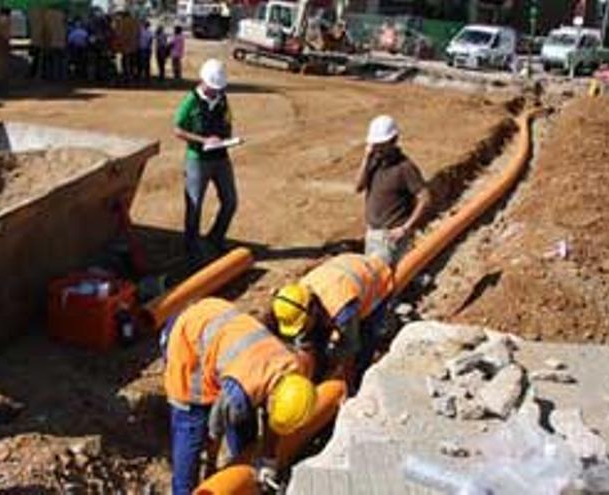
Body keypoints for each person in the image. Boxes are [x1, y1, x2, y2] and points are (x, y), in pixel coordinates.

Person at [161, 297, 316, 495]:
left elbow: (274, 420)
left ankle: (244, 476)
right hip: (189, 343)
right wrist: (211, 469)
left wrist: (268, 460)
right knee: (191, 427)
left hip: (218, 321)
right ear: (272, 400)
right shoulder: (238, 396)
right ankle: (183, 490)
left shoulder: (293, 373)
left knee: (244, 428)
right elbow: (214, 432)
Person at [270, 252, 393, 391]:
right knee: (318, 338)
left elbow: (350, 347)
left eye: (303, 325)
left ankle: (359, 381)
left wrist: (346, 382)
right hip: (345, 267)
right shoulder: (298, 295)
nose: (302, 330)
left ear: (312, 310)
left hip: (376, 280)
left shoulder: (342, 307)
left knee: (365, 340)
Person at [174, 58, 237, 260]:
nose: (215, 91)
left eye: (218, 88)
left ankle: (215, 239)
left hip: (221, 158)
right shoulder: (190, 101)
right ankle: (191, 247)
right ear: (203, 81)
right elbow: (178, 129)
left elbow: (228, 122)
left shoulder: (223, 99)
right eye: (212, 87)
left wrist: (227, 139)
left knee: (230, 201)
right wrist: (203, 140)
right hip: (197, 160)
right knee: (194, 205)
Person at [356, 115, 431, 266]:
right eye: (375, 144)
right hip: (372, 233)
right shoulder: (374, 161)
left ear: (393, 140)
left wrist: (405, 228)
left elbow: (425, 198)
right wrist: (366, 158)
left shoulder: (405, 168)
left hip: (391, 237)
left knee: (384, 279)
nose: (377, 149)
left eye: (381, 145)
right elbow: (358, 187)